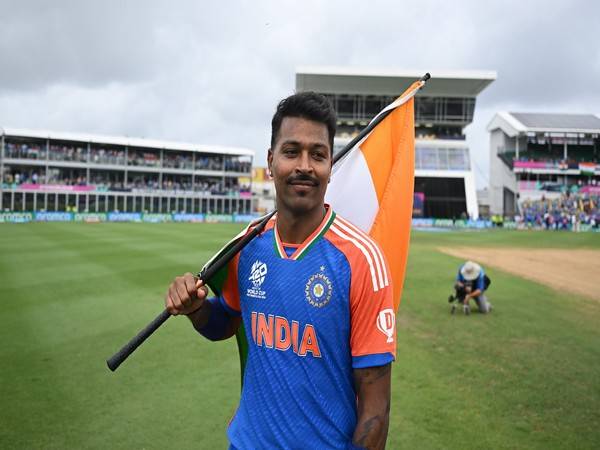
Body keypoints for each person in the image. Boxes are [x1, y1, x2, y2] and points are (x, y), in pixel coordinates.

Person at [165, 92, 396, 449]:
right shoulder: (247, 245)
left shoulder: (362, 259)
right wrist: (196, 310)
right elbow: (225, 322)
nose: (305, 165)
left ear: (331, 165)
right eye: (292, 152)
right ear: (271, 161)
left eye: (317, 154)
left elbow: (376, 408)